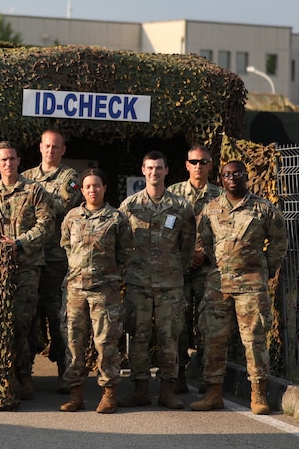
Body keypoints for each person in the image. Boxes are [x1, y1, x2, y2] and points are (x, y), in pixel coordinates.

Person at [191, 160, 288, 415]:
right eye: (226, 175)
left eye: (236, 174)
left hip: (251, 283)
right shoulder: (211, 209)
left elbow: (279, 240)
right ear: (221, 179)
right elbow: (204, 240)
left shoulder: (263, 208)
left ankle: (258, 394)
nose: (232, 178)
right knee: (213, 337)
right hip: (218, 282)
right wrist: (220, 262)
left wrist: (264, 266)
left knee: (254, 339)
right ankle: (213, 393)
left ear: (245, 176)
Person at [0, 140, 54, 401]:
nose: (8, 163)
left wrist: (19, 243)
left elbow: (46, 224)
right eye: (3, 159)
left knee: (22, 320)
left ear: (19, 161)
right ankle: (3, 372)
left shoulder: (34, 191)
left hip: (27, 266)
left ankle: (24, 373)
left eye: (12, 158)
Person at [118, 150, 195, 410]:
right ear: (143, 170)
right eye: (150, 168)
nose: (154, 172)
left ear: (166, 171)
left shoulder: (181, 207)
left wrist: (176, 269)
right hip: (138, 282)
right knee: (138, 336)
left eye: (159, 168)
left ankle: (167, 390)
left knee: (169, 337)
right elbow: (120, 242)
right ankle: (140, 388)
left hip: (170, 284)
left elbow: (188, 244)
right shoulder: (130, 206)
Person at [59, 168, 132, 414]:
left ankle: (109, 394)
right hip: (75, 291)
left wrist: (109, 276)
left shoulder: (116, 218)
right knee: (74, 343)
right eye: (88, 186)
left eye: (97, 185)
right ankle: (76, 394)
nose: (93, 190)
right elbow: (66, 247)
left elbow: (125, 252)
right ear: (82, 189)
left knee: (106, 343)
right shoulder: (72, 217)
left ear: (105, 188)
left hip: (105, 292)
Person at [21, 128, 82, 391]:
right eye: (47, 146)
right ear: (40, 147)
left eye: (56, 147)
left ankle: (63, 372)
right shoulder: (27, 177)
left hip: (56, 258)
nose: (50, 150)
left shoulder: (70, 177)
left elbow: (63, 206)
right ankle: (25, 373)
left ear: (63, 150)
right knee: (28, 315)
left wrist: (34, 202)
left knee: (59, 316)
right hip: (31, 258)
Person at [168, 144, 223, 394]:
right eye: (194, 162)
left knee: (206, 324)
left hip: (207, 271)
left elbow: (226, 235)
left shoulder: (221, 196)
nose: (198, 166)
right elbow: (165, 232)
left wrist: (203, 254)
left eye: (203, 162)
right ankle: (178, 374)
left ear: (210, 164)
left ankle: (204, 375)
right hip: (178, 270)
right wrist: (185, 256)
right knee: (177, 324)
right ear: (186, 164)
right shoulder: (172, 194)